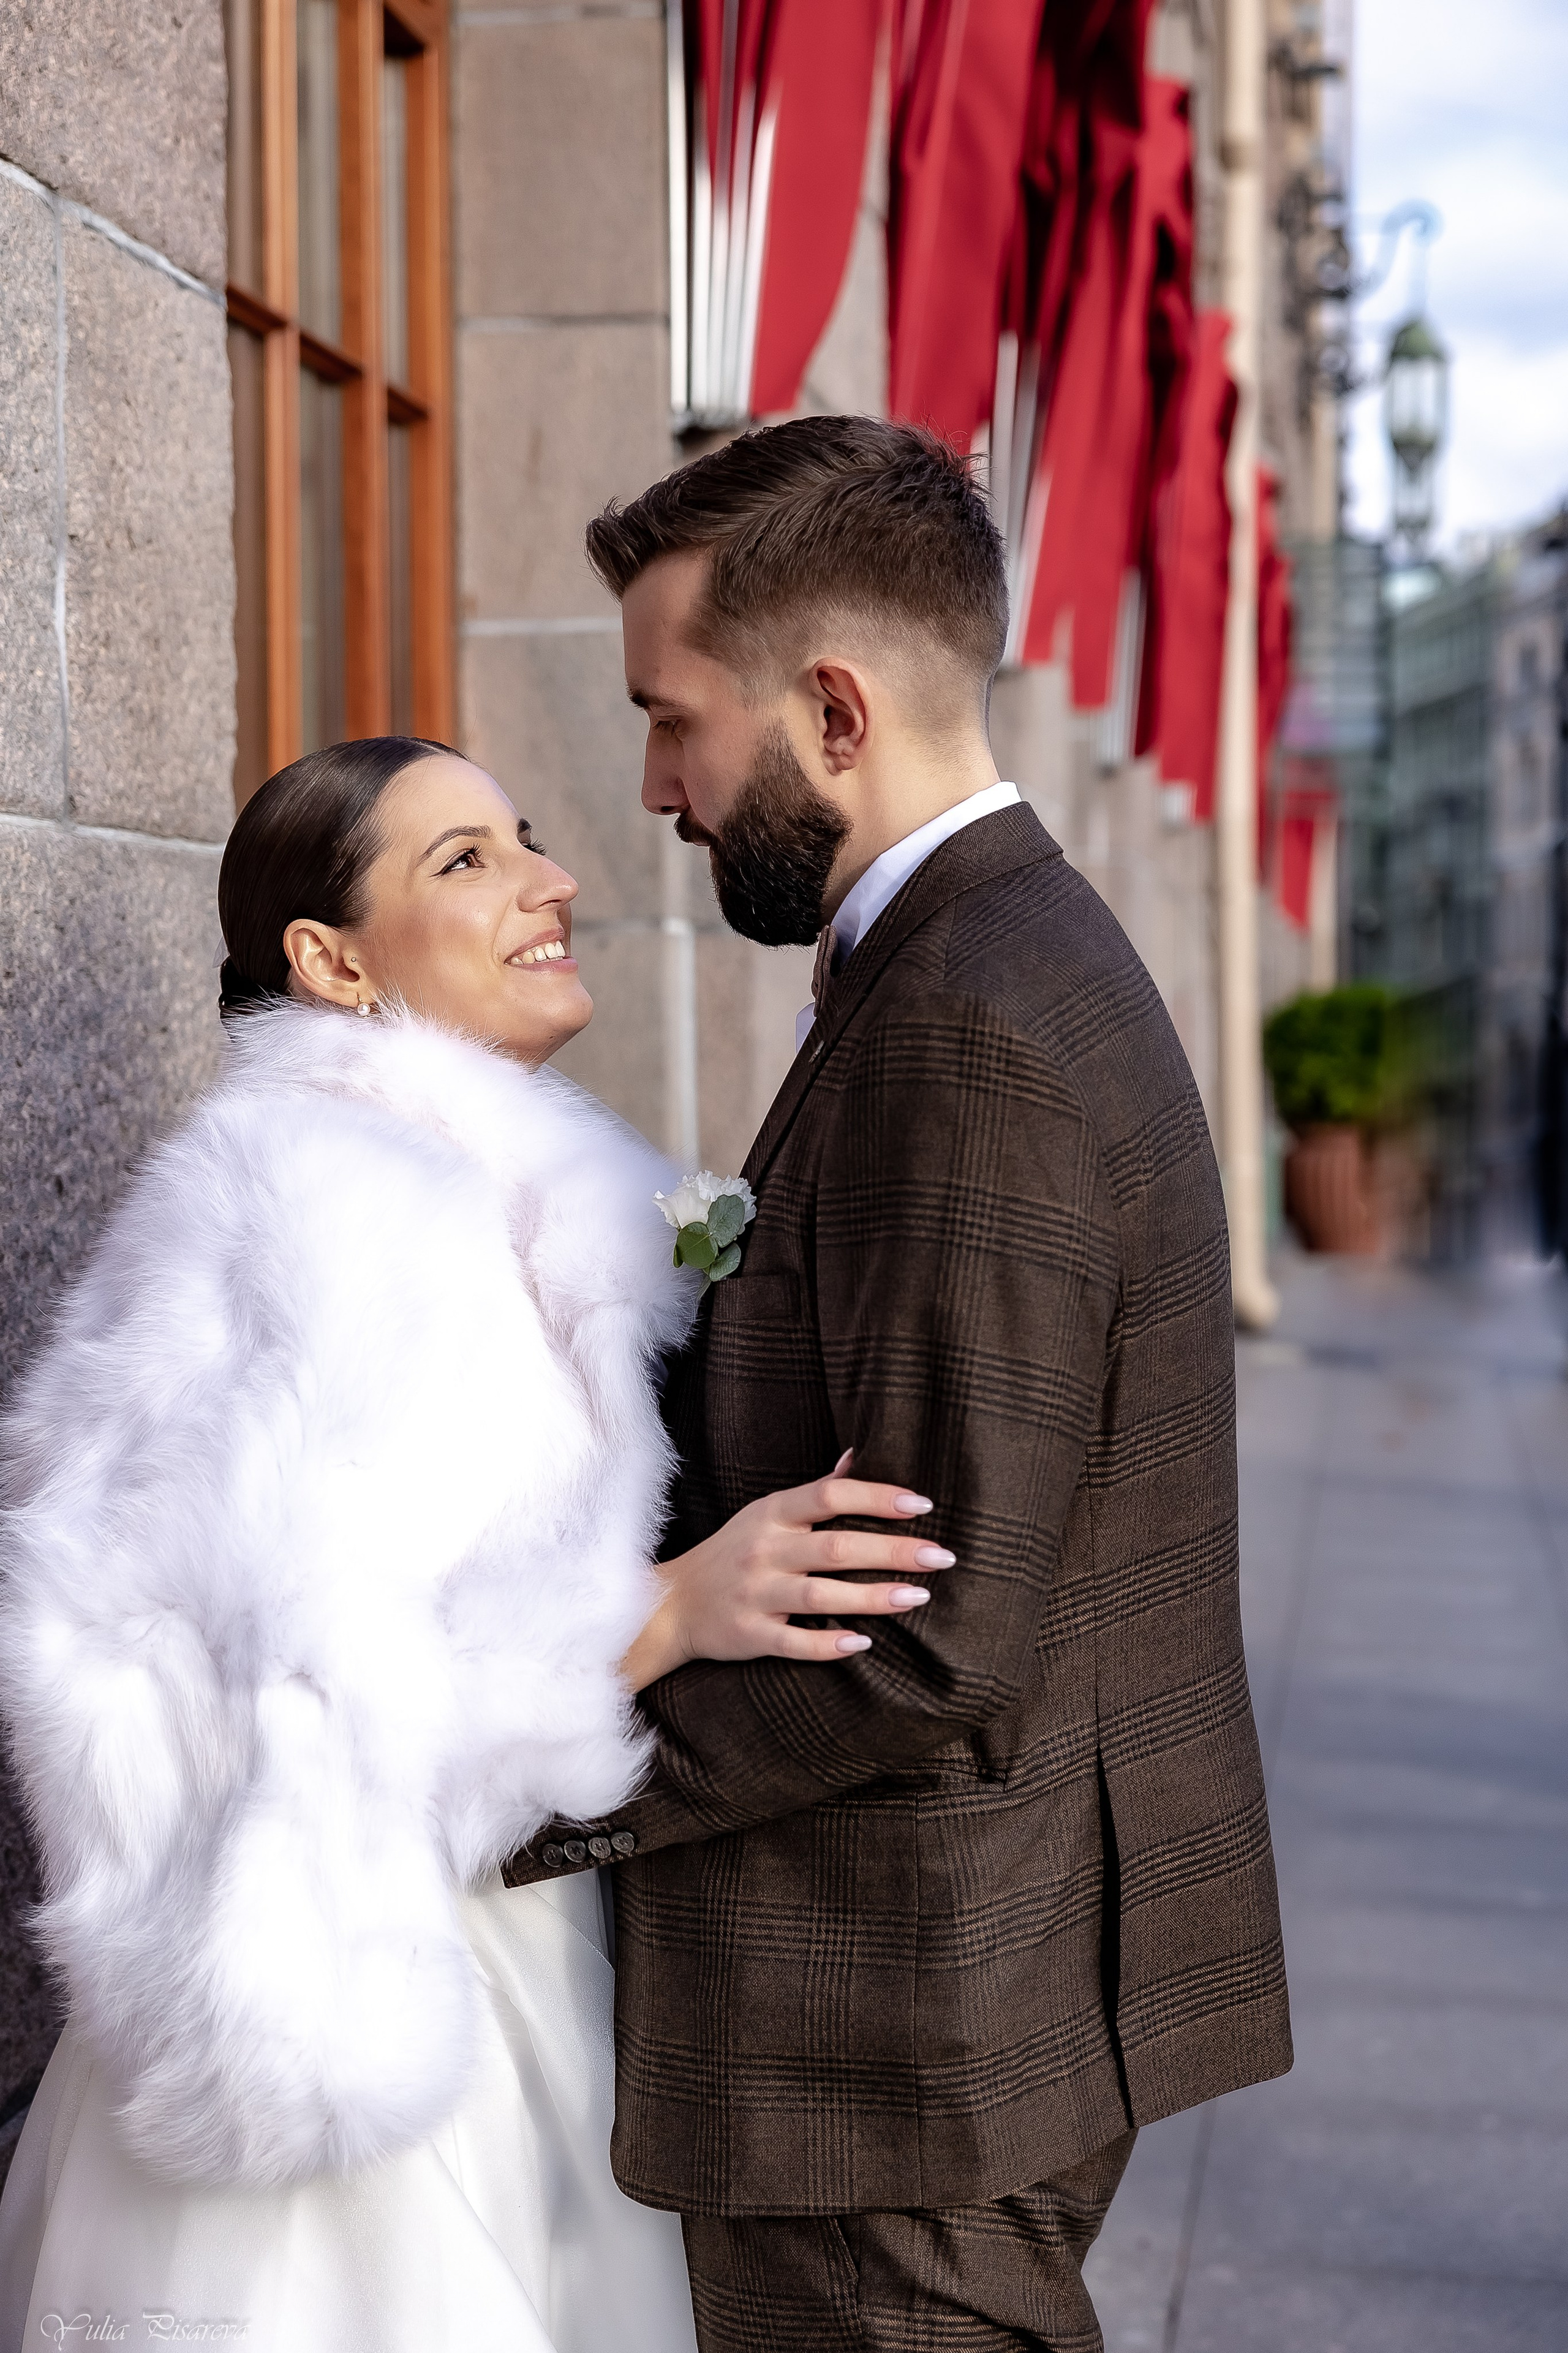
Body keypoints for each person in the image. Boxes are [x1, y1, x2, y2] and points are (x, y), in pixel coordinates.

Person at [502, 417, 1294, 2352]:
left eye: (677, 719)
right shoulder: (964, 955)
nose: (656, 785)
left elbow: (932, 1639)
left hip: (894, 2048)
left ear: (833, 709)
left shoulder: (970, 1019)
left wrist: (520, 1770)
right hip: (945, 2009)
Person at [0, 735, 944, 2353]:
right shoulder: (324, 1204)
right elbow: (278, 1702)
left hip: (504, 1959)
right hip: (364, 2021)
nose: (548, 879)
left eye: (525, 837)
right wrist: (658, 1614)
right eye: (466, 861)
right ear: (331, 958)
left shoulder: (501, 1192)